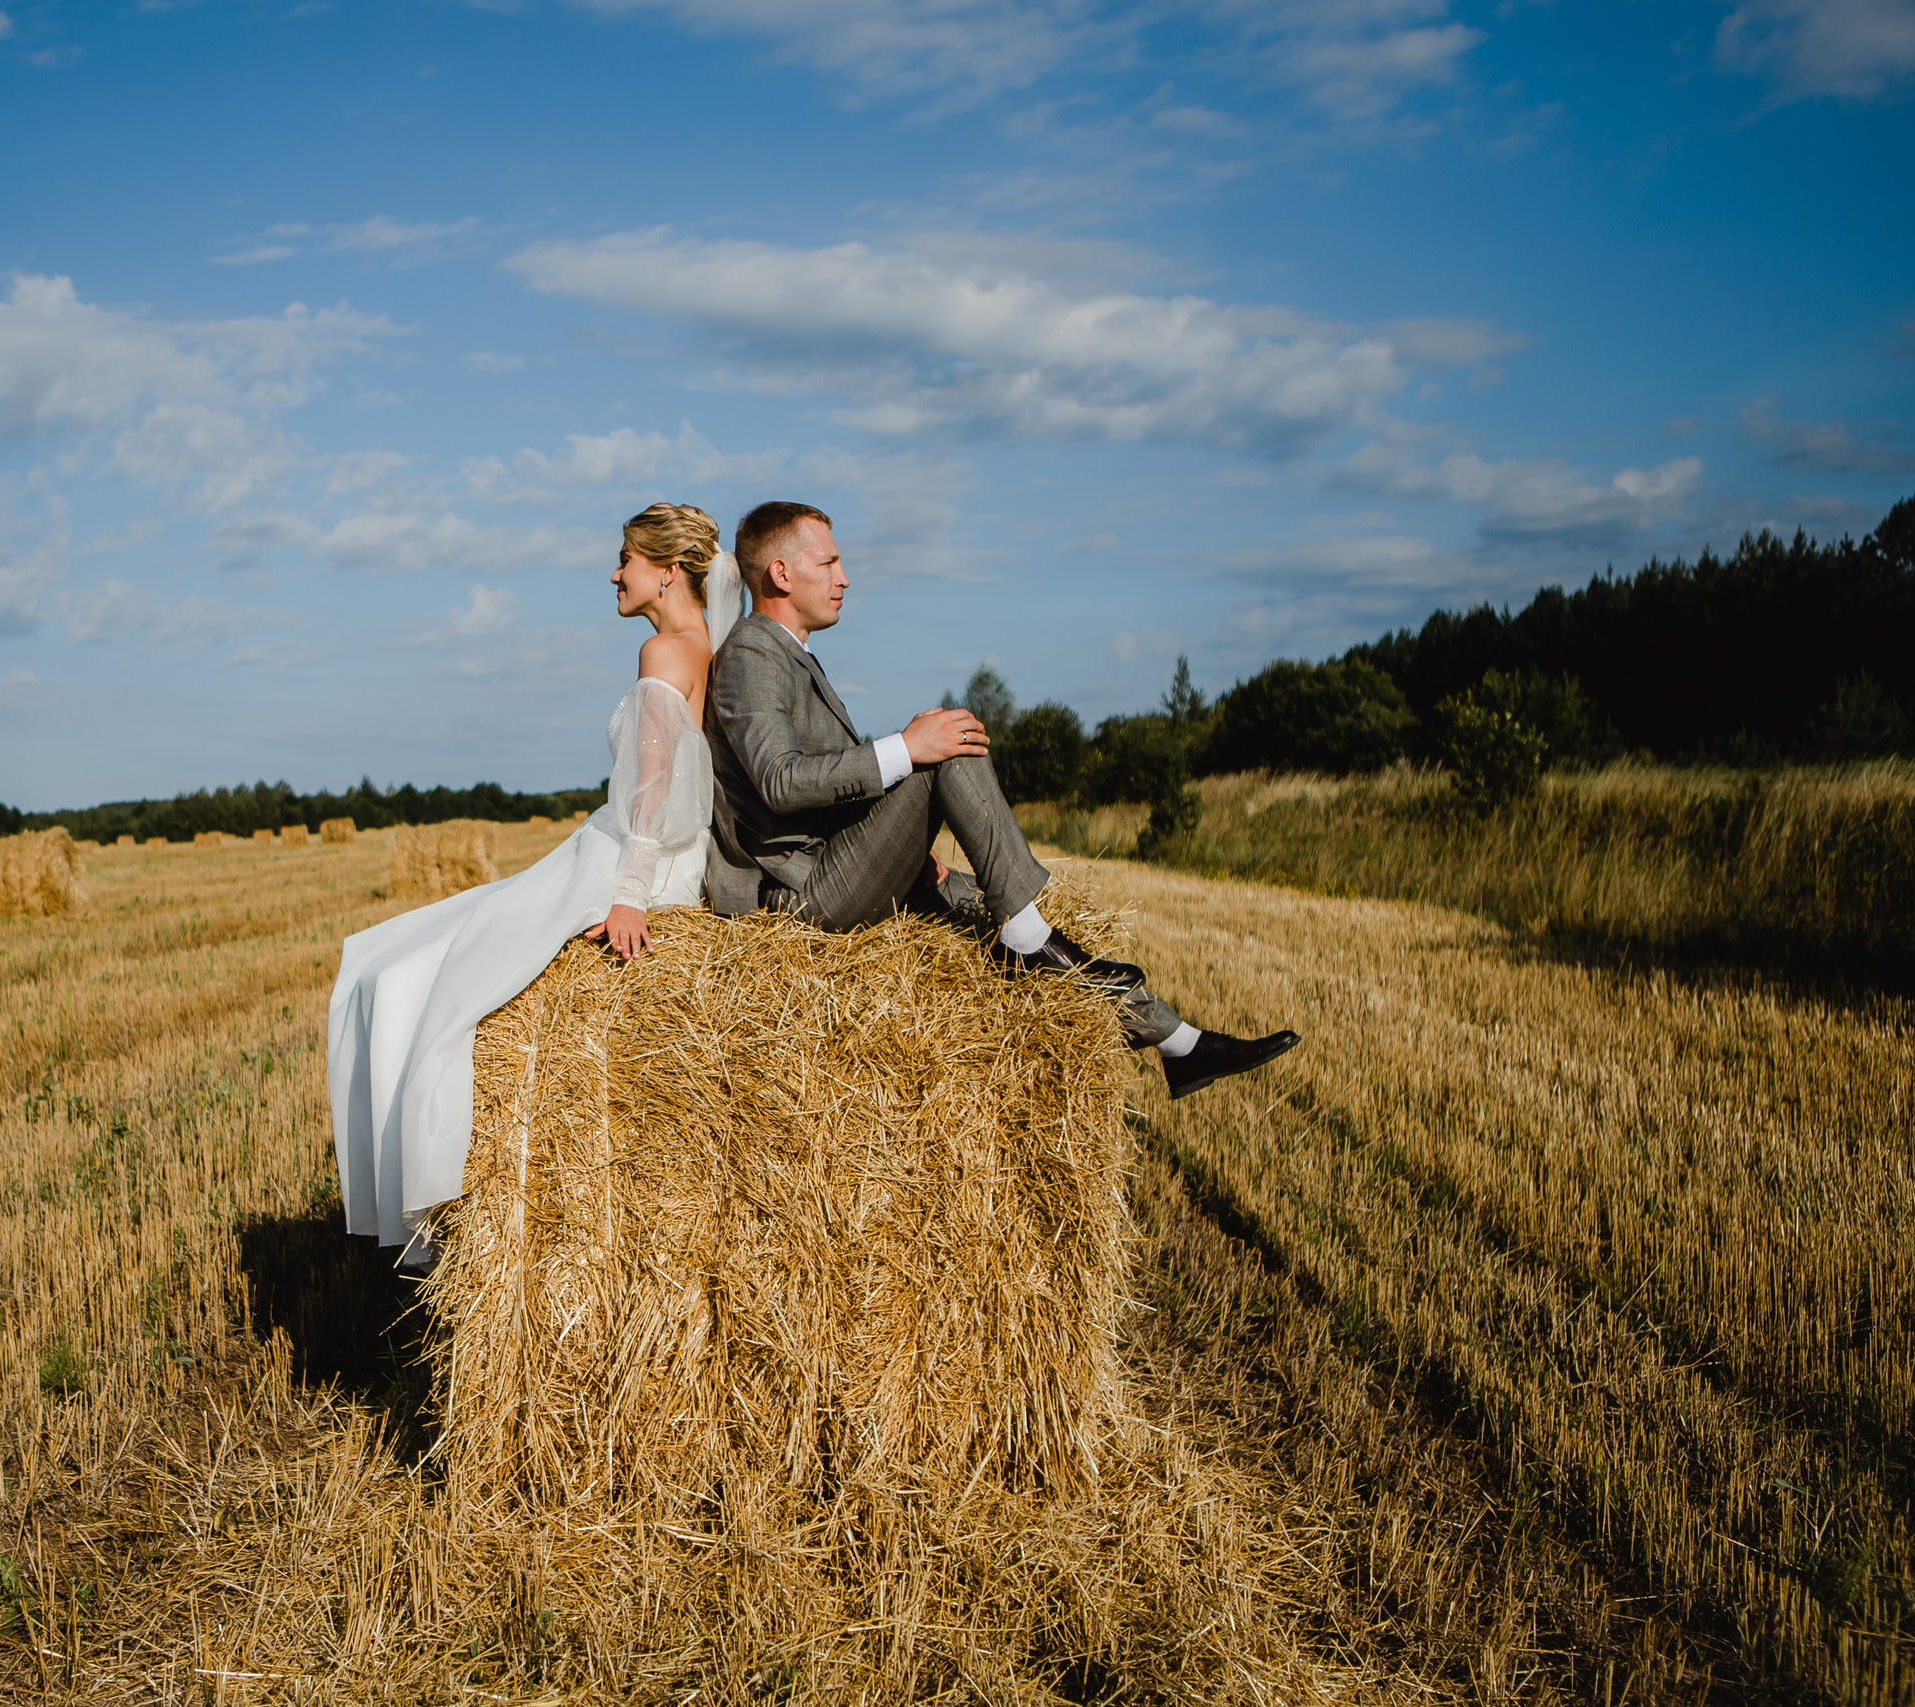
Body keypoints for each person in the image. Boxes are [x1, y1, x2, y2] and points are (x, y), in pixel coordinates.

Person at [704, 500, 1300, 1099]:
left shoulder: (788, 652)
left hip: (837, 868)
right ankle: (1026, 933)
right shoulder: (753, 651)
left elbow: (821, 788)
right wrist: (907, 748)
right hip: (803, 894)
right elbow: (781, 781)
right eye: (829, 562)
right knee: (947, 746)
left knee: (1007, 909)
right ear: (782, 573)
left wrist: (894, 846)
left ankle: (1180, 1043)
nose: (845, 577)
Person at [328, 502, 738, 1256]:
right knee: (431, 954)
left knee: (409, 977)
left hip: (627, 859)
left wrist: (629, 895)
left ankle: (423, 1180)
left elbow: (651, 786)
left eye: (626, 558)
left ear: (667, 571)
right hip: (676, 859)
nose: (614, 574)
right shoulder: (710, 646)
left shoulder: (662, 653)